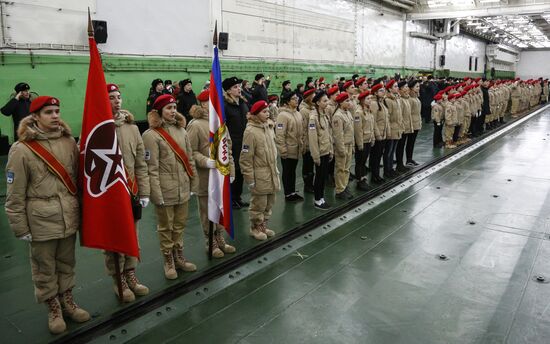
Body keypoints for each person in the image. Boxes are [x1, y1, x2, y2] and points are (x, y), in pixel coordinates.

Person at [5, 96, 90, 334]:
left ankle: (68, 301)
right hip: (40, 219)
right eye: (48, 112)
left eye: (57, 111)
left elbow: (78, 179)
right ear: (35, 117)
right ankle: (53, 307)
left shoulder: (68, 142)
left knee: (66, 263)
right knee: (44, 268)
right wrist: (20, 228)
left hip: (68, 215)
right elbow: (14, 194)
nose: (55, 116)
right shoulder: (21, 150)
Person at [142, 94, 198, 280]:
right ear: (159, 111)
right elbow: (152, 168)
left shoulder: (182, 131)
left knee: (180, 225)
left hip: (182, 186)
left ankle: (179, 256)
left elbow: (189, 158)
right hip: (165, 189)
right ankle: (168, 260)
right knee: (166, 227)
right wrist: (156, 195)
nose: (173, 111)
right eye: (168, 108)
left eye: (174, 107)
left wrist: (192, 182)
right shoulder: (151, 136)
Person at [105, 84, 150, 302]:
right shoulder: (97, 128)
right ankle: (118, 278)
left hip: (131, 190)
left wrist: (144, 192)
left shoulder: (132, 128)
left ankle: (130, 273)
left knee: (133, 235)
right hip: (110, 193)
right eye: (111, 97)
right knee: (114, 238)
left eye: (118, 97)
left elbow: (140, 162)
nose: (117, 101)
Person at [187, 90, 236, 258]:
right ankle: (211, 241)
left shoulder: (221, 124)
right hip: (205, 178)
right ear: (202, 104)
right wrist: (204, 161)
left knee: (220, 208)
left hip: (220, 175)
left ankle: (219, 236)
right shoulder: (195, 125)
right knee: (207, 210)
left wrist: (231, 170)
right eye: (210, 100)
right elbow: (190, 152)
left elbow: (228, 148)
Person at [240, 100, 280, 241]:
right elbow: (245, 158)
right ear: (256, 114)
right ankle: (255, 227)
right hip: (260, 173)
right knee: (259, 203)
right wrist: (250, 179)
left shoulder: (268, 127)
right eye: (264, 111)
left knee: (270, 201)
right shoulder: (250, 131)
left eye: (268, 111)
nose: (267, 113)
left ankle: (263, 224)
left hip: (271, 172)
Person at [223, 77, 249, 209]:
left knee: (241, 172)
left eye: (239, 86)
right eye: (235, 87)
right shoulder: (225, 106)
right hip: (232, 143)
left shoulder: (243, 103)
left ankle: (237, 197)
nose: (239, 89)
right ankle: (231, 199)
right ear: (228, 90)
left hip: (244, 142)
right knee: (232, 172)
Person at [275, 91, 304, 202]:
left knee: (293, 171)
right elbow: (280, 134)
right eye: (293, 99)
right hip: (288, 149)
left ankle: (292, 192)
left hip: (296, 148)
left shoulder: (297, 113)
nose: (296, 100)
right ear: (287, 102)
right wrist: (282, 150)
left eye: (297, 98)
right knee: (287, 172)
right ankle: (288, 194)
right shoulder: (283, 115)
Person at [309, 91, 333, 209]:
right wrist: (316, 156)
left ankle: (321, 197)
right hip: (319, 152)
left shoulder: (325, 115)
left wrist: (331, 150)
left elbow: (329, 134)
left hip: (326, 150)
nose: (327, 102)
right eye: (324, 101)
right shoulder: (313, 118)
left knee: (323, 176)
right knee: (319, 176)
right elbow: (313, 139)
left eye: (327, 100)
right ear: (318, 103)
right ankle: (317, 199)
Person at [332, 92, 354, 200]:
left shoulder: (348, 113)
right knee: (340, 168)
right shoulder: (337, 116)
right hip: (343, 146)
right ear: (341, 103)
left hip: (349, 144)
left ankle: (344, 187)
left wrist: (353, 145)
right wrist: (341, 150)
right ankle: (339, 190)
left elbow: (351, 131)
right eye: (347, 101)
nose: (349, 102)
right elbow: (338, 135)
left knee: (346, 168)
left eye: (349, 100)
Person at [354, 90, 375, 191]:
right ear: (362, 100)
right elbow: (358, 130)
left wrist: (372, 138)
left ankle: (363, 178)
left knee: (363, 162)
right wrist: (359, 143)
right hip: (362, 141)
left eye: (370, 98)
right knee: (360, 162)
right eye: (368, 99)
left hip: (368, 139)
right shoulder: (358, 112)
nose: (370, 100)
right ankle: (359, 181)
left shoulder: (368, 110)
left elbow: (371, 126)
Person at [369, 83, 390, 184]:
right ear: (376, 93)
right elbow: (373, 121)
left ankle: (377, 175)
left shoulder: (381, 102)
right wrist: (377, 135)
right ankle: (374, 176)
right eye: (381, 90)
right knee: (375, 157)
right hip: (378, 135)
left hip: (383, 134)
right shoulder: (374, 103)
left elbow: (385, 119)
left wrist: (387, 133)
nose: (384, 92)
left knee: (378, 156)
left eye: (383, 90)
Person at [384, 79, 403, 178]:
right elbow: (388, 117)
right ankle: (387, 170)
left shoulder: (396, 99)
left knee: (392, 150)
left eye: (397, 86)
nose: (397, 88)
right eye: (395, 86)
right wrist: (388, 131)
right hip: (391, 128)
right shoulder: (388, 100)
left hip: (397, 127)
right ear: (390, 89)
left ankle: (391, 168)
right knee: (388, 151)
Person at [299, 88, 316, 194]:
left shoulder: (311, 108)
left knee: (311, 165)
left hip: (312, 141)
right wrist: (305, 144)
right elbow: (304, 130)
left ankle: (311, 184)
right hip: (307, 142)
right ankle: (308, 185)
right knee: (307, 165)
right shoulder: (304, 111)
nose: (315, 97)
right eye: (313, 95)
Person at [407, 79, 422, 165]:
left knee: (412, 143)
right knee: (409, 142)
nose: (418, 88)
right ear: (411, 88)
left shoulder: (416, 97)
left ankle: (410, 158)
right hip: (412, 123)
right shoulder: (410, 99)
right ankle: (408, 159)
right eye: (417, 86)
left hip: (416, 123)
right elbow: (409, 113)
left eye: (419, 86)